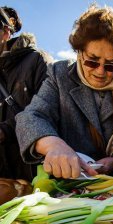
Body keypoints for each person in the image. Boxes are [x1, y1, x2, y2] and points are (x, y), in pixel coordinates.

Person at [16, 4, 113, 179]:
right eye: (92, 61)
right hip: (69, 183)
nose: (100, 71)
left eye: (110, 65)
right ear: (79, 52)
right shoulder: (60, 75)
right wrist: (53, 145)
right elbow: (31, 117)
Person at [0, 6, 52, 181]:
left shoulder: (37, 60)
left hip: (32, 171)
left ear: (6, 32)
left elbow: (47, 110)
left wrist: (4, 131)